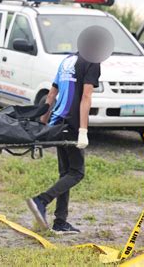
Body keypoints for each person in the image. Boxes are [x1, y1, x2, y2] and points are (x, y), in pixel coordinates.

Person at [26, 53, 100, 234]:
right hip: (72, 124)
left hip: (57, 122)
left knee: (65, 173)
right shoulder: (92, 61)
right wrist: (83, 130)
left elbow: (51, 95)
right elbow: (86, 97)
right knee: (76, 172)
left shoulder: (67, 60)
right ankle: (41, 201)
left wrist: (42, 124)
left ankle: (60, 221)